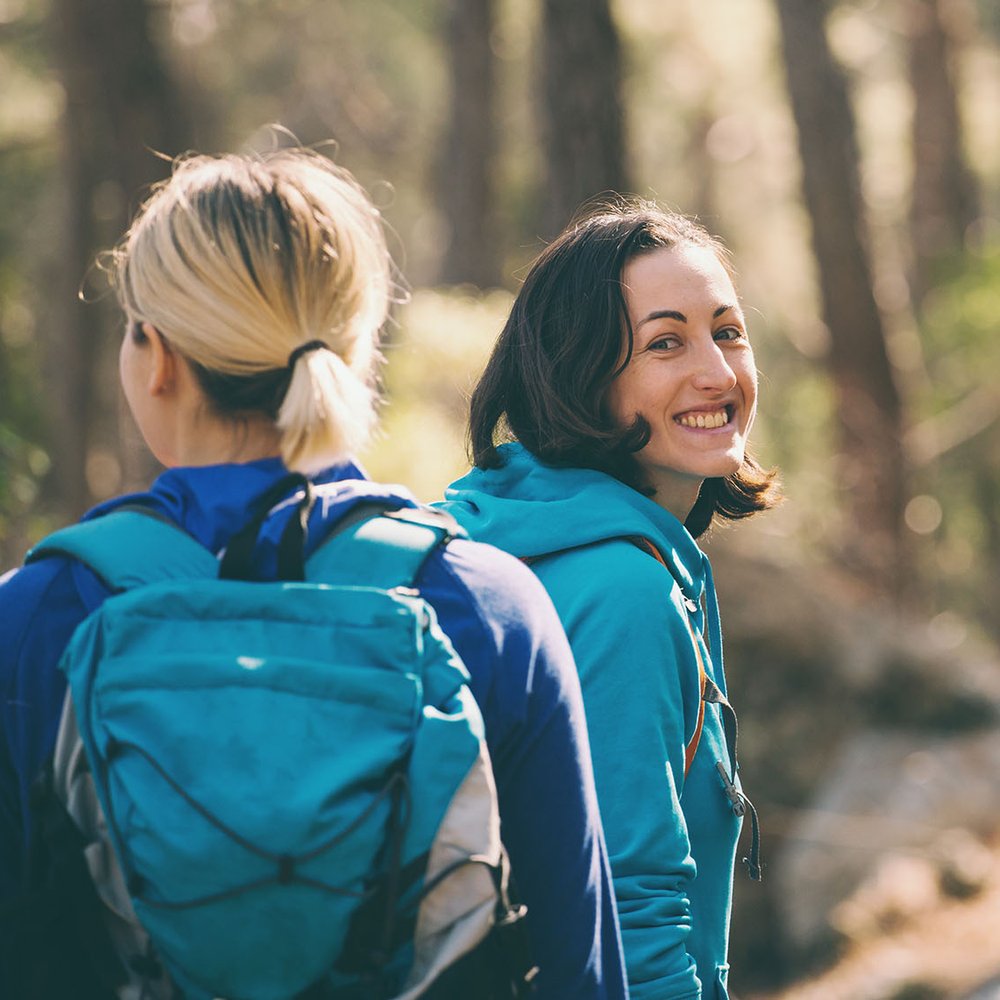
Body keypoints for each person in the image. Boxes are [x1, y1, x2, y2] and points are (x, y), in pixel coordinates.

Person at [0, 148, 627, 999]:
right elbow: (574, 968)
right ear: (355, 348)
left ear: (157, 359)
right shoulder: (489, 608)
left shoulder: (34, 618)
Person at [439, 199, 782, 1000]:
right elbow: (632, 916)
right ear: (580, 374)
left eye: (727, 331)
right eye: (666, 343)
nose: (718, 373)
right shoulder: (624, 591)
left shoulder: (506, 531)